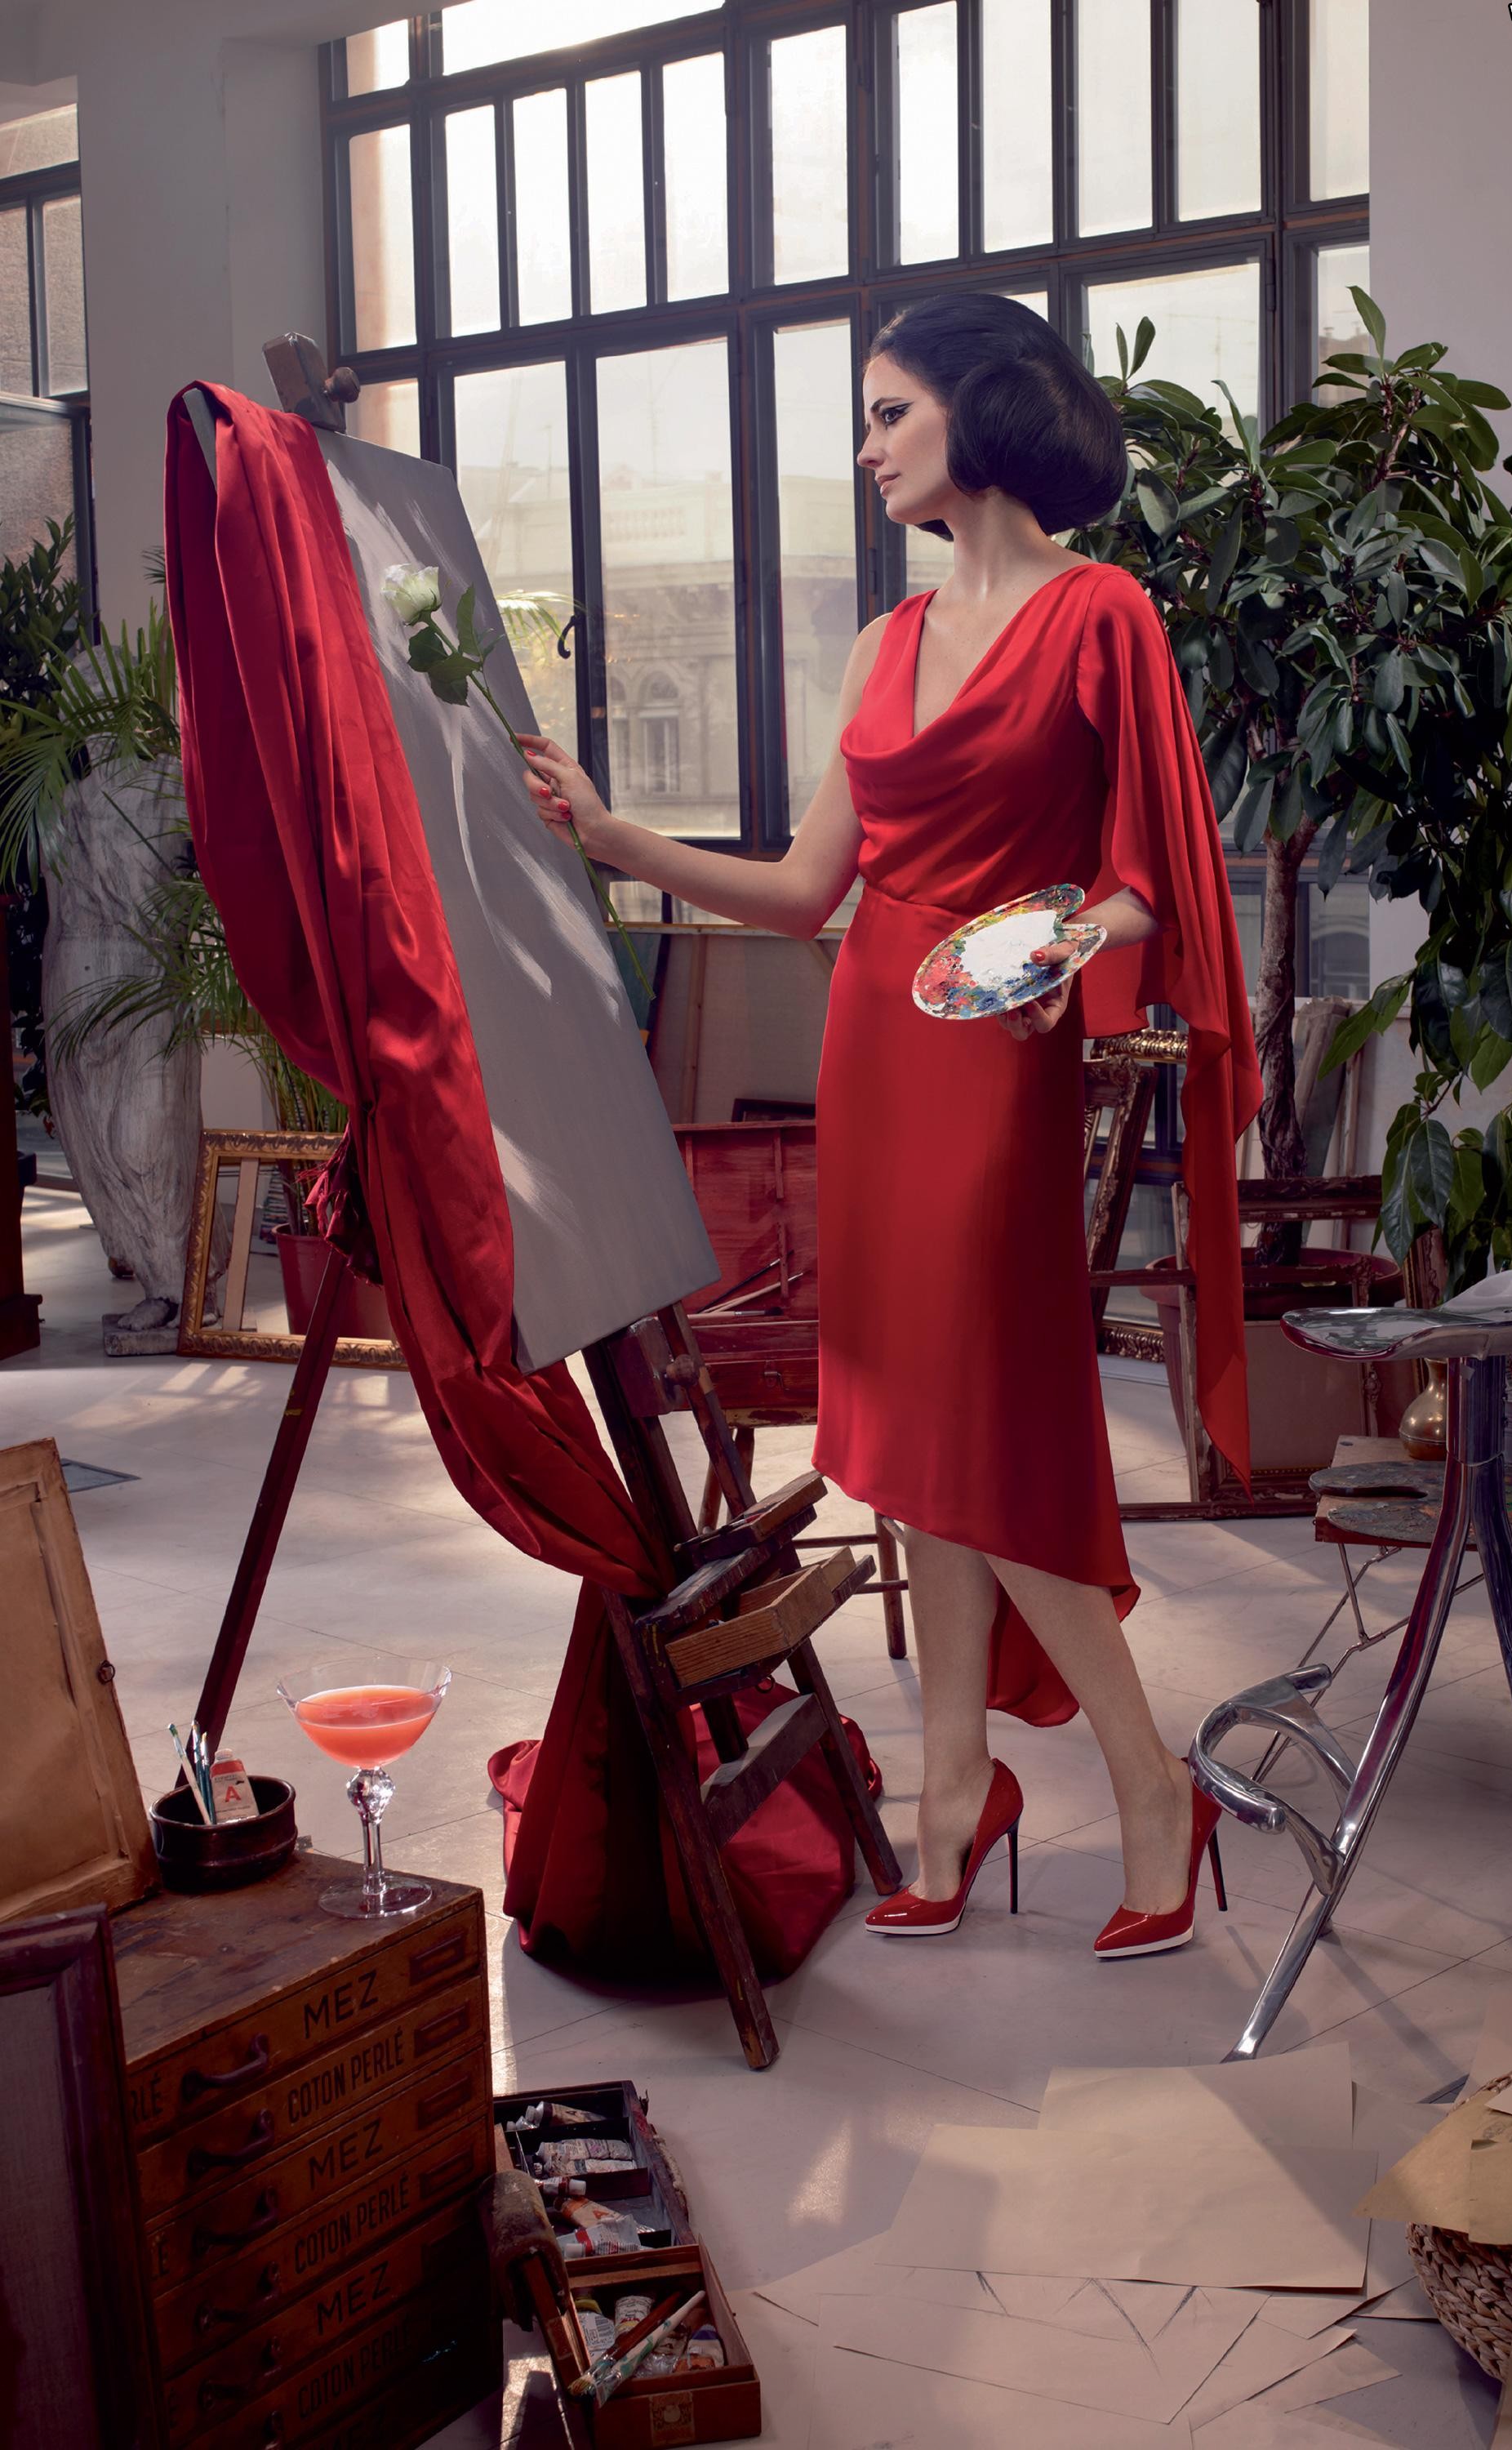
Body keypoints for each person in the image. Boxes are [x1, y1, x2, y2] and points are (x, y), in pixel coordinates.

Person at [517, 292, 1261, 1960]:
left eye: (887, 413)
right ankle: (951, 1790)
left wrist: (1056, 951)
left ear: (982, 411)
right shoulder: (879, 642)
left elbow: (1152, 874)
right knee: (914, 1438)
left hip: (995, 1052)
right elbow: (804, 892)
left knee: (970, 1430)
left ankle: (1150, 1784)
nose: (863, 449)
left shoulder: (1103, 614)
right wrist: (612, 835)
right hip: (874, 1038)